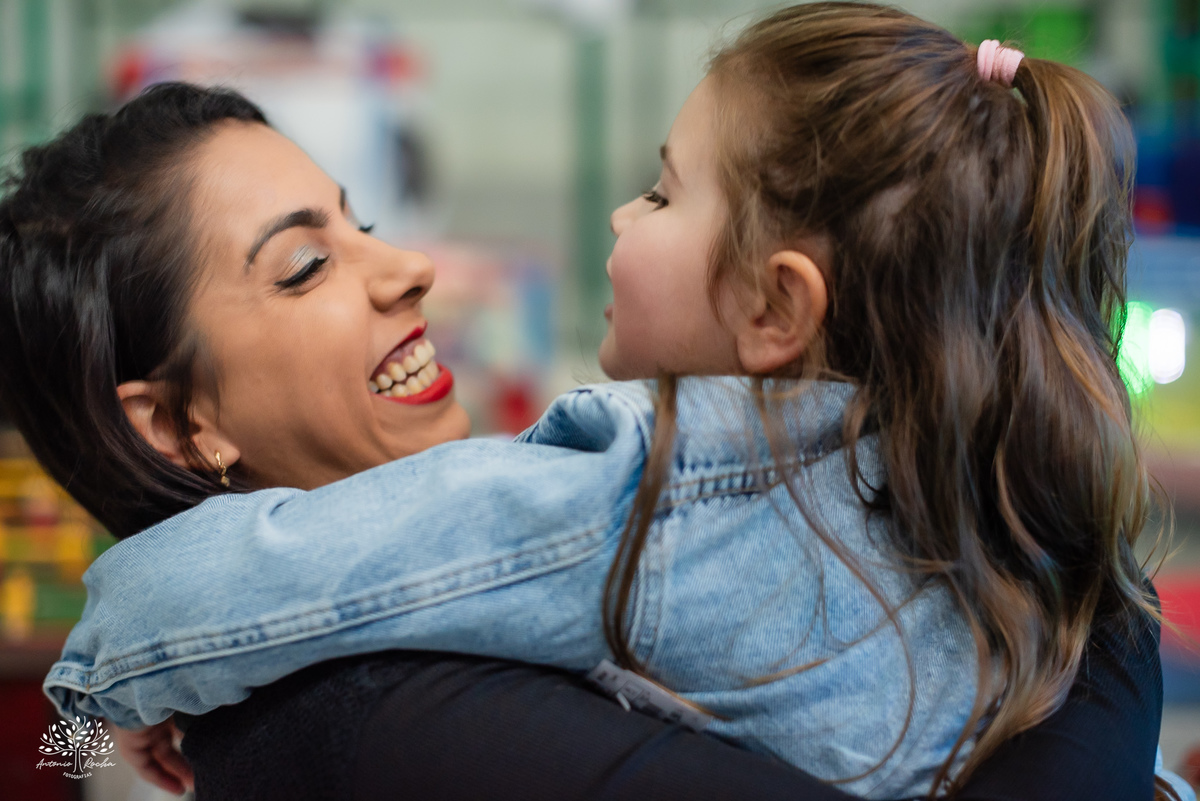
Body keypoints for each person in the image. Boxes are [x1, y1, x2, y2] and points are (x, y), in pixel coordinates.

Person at [0, 3, 1186, 799]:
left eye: (362, 222)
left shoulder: (633, 506)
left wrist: (104, 690)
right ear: (178, 422)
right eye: (307, 266)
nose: (407, 266)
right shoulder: (360, 716)